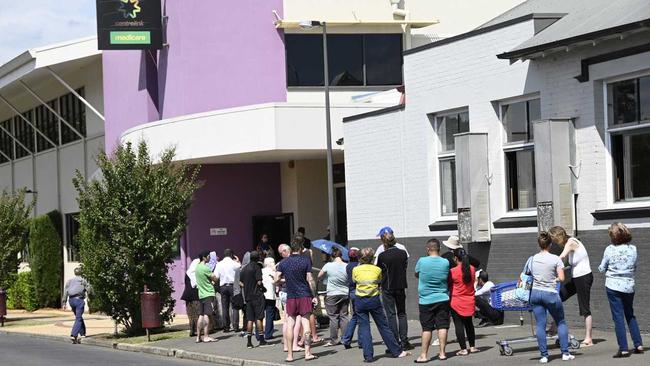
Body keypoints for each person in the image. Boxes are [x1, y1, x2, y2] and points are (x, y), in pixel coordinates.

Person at [353, 247, 410, 363]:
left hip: (360, 300)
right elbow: (379, 280)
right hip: (373, 299)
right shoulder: (377, 270)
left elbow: (354, 281)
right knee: (383, 326)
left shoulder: (355, 269)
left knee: (364, 327)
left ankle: (368, 356)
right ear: (372, 257)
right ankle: (396, 351)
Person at [526, 232, 575, 363]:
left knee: (540, 325)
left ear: (539, 244)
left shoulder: (532, 259)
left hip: (535, 294)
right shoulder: (555, 259)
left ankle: (544, 356)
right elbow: (562, 278)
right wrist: (554, 278)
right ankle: (565, 353)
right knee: (560, 322)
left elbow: (527, 275)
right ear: (550, 244)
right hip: (550, 294)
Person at [598, 223, 644, 358]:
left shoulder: (609, 249)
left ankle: (623, 348)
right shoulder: (633, 249)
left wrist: (608, 269)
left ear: (613, 237)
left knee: (618, 317)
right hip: (629, 286)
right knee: (630, 314)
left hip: (613, 286)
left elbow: (601, 268)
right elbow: (634, 267)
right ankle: (638, 344)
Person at [275, 236, 319, 362]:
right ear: (300, 248)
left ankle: (289, 355)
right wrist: (314, 295)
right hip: (304, 295)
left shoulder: (283, 263)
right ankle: (307, 353)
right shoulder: (305, 261)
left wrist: (285, 279)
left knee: (290, 324)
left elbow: (276, 279)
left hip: (291, 296)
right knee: (306, 325)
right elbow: (310, 279)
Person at [549, 226, 594, 347]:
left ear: (558, 237)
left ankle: (589, 339)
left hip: (584, 277)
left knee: (584, 308)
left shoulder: (571, 242)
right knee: (559, 296)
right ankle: (553, 327)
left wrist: (547, 266)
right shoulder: (568, 243)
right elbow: (566, 264)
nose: (554, 243)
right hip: (576, 278)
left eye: (554, 239)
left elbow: (561, 257)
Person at [375, 226, 413, 350]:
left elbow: (379, 270)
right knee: (402, 313)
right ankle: (405, 341)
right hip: (401, 285)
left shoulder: (382, 255)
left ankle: (395, 342)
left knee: (391, 315)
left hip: (388, 286)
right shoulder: (402, 252)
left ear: (383, 240)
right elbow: (405, 265)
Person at [414, 239, 450, 363]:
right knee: (442, 326)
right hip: (442, 298)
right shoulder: (445, 262)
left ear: (428, 249)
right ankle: (442, 353)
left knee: (427, 328)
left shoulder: (422, 261)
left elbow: (417, 274)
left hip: (425, 300)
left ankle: (424, 355)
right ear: (439, 248)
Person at [318, 246, 349, 346]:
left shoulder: (328, 265)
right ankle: (345, 338)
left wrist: (325, 278)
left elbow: (319, 276)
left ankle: (334, 339)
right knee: (344, 316)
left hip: (332, 293)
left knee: (333, 317)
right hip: (344, 292)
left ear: (332, 256)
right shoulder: (346, 266)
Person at [449, 248, 478, 356]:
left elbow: (448, 284)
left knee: (459, 325)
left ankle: (463, 349)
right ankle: (473, 347)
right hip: (469, 300)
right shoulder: (472, 269)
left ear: (456, 258)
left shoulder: (453, 271)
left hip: (456, 301)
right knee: (469, 324)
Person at [239, 251, 269, 348]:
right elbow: (259, 282)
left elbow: (240, 283)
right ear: (258, 258)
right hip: (257, 296)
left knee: (250, 319)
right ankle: (261, 340)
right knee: (259, 318)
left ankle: (249, 342)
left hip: (248, 297)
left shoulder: (244, 269)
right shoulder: (256, 267)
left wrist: (247, 287)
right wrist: (262, 288)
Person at [62, 267, 91, 344]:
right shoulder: (83, 281)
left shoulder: (69, 281)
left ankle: (83, 333)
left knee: (78, 317)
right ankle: (73, 334)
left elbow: (65, 292)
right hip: (79, 300)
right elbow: (89, 290)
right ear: (81, 273)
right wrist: (91, 297)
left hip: (71, 301)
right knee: (78, 318)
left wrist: (64, 303)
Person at [214, 249, 241, 333]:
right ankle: (235, 326)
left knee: (225, 307)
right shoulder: (234, 263)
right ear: (232, 255)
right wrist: (238, 261)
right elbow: (240, 270)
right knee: (235, 306)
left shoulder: (219, 264)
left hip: (223, 287)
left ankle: (226, 327)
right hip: (233, 286)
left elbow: (216, 276)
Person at [195, 251, 219, 343]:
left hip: (201, 294)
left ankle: (198, 337)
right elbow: (215, 278)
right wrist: (215, 278)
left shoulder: (197, 267)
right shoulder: (206, 268)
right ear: (204, 258)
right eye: (208, 256)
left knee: (201, 315)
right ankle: (206, 336)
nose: (209, 258)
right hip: (208, 293)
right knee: (207, 315)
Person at [341, 247, 360, 349]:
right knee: (360, 316)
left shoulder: (348, 266)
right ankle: (360, 341)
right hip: (359, 291)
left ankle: (347, 339)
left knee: (356, 316)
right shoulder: (358, 266)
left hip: (351, 291)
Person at [182, 258, 201, 337]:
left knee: (190, 314)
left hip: (187, 295)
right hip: (195, 295)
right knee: (197, 313)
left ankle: (192, 330)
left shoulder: (187, 273)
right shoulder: (197, 273)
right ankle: (199, 330)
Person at [262, 256, 277, 340]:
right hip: (270, 295)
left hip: (262, 295)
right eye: (273, 262)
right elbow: (275, 282)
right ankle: (268, 334)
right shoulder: (273, 272)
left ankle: (259, 333)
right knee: (269, 315)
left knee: (260, 315)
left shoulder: (261, 271)